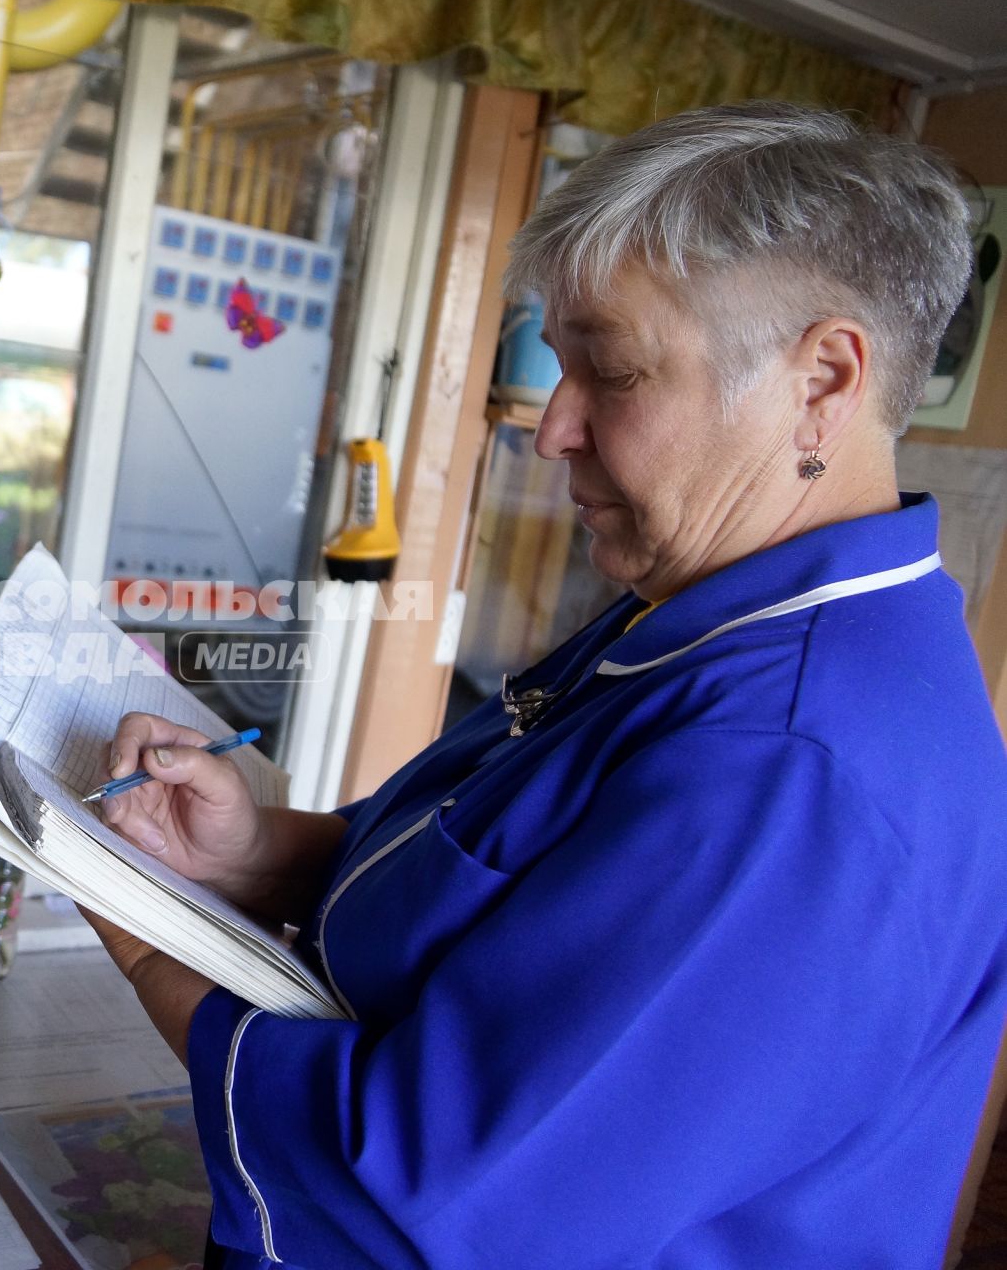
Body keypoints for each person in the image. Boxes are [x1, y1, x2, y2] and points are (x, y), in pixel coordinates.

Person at [86, 101, 1007, 1268]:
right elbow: (489, 875)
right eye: (556, 368)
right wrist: (252, 852)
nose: (549, 428)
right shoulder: (702, 618)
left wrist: (135, 927)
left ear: (820, 378)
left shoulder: (789, 764)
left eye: (609, 371)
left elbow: (418, 1197)